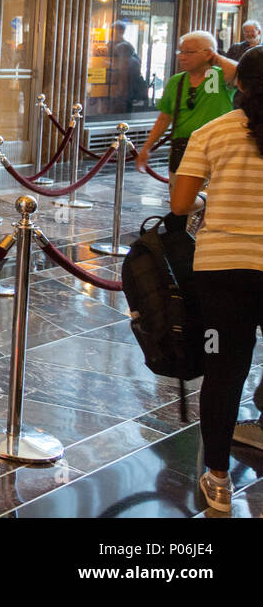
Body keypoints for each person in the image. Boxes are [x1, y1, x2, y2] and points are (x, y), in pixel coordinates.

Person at [169, 46, 263, 512]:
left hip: (224, 268)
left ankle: (219, 479)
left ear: (238, 86)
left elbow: (181, 204)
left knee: (224, 373)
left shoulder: (214, 131)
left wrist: (213, 197)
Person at [136, 31, 238, 199]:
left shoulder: (219, 77)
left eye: (189, 52)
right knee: (180, 202)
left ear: (207, 53)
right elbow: (164, 118)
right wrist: (147, 147)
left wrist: (217, 58)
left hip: (215, 151)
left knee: (209, 201)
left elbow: (238, 73)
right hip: (183, 149)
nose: (182, 57)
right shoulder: (177, 81)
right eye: (180, 52)